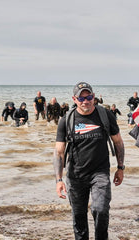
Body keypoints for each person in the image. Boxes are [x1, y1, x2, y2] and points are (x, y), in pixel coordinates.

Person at [53, 82, 125, 240]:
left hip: (99, 173)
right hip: (75, 176)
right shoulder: (66, 120)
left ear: (94, 97)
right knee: (79, 217)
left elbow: (118, 142)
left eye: (89, 97)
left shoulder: (105, 115)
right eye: (81, 98)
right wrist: (59, 179)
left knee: (100, 209)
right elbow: (59, 152)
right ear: (74, 99)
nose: (86, 101)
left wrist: (120, 168)